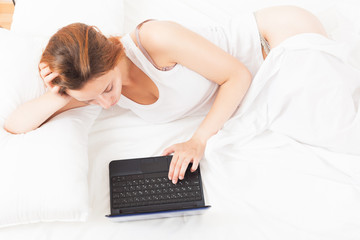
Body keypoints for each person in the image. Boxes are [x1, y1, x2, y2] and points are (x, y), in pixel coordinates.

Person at [4, 6, 327, 184]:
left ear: (113, 57)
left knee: (324, 128)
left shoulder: (154, 38)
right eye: (91, 100)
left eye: (107, 89)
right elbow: (16, 125)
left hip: (273, 40)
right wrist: (63, 94)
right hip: (260, 82)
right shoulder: (92, 87)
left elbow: (236, 75)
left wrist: (198, 140)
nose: (106, 103)